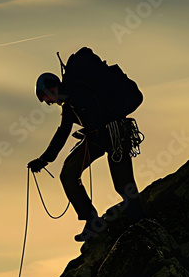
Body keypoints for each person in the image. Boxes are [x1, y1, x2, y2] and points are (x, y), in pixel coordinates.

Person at [28, 59, 144, 242]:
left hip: (115, 135)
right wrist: (44, 160)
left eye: (47, 99)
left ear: (51, 89)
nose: (49, 103)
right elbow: (62, 133)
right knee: (68, 174)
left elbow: (65, 132)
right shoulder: (68, 107)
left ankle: (139, 221)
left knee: (122, 184)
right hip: (97, 139)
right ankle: (91, 220)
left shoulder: (78, 90)